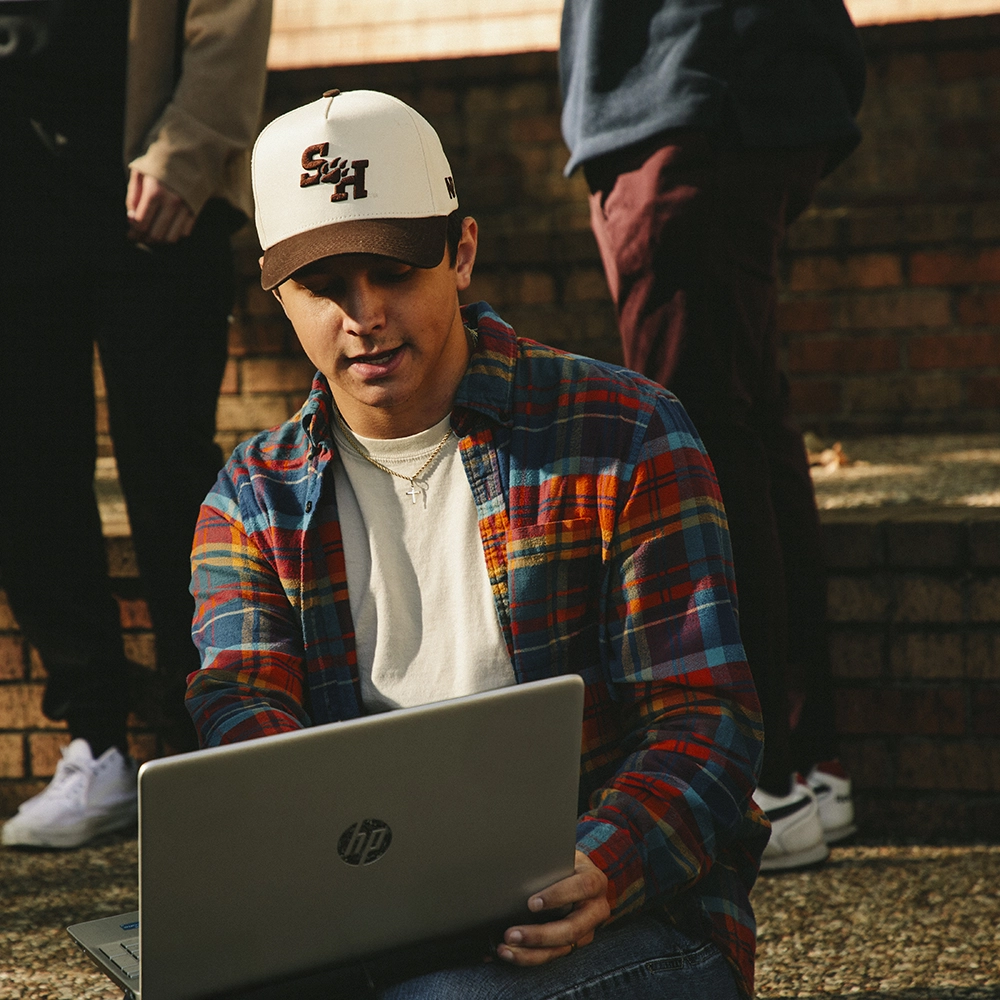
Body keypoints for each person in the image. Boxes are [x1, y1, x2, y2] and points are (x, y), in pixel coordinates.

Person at [184, 88, 767, 1000]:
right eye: (323, 287)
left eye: (395, 272)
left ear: (460, 255)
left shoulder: (624, 432)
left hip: (624, 920)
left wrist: (601, 867)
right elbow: (245, 721)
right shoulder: (250, 500)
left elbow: (705, 723)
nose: (363, 314)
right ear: (277, 294)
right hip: (360, 930)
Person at [559, 0, 866, 869]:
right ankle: (804, 761)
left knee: (696, 449)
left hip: (689, 92)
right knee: (749, 430)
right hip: (720, 89)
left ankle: (758, 782)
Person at [0, 0, 272, 849]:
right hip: (15, 195)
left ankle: (207, 742)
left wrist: (188, 151)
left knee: (170, 471)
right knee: (25, 469)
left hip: (153, 188)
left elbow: (230, 15)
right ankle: (96, 743)